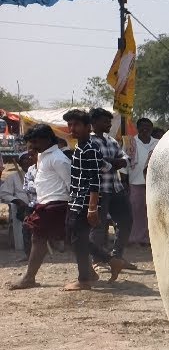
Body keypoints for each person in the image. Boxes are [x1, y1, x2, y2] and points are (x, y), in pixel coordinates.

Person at [63, 109, 122, 290]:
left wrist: (92, 207)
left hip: (85, 202)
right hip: (76, 200)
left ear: (88, 127)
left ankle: (84, 279)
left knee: (77, 239)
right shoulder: (80, 148)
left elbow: (94, 180)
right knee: (73, 238)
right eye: (70, 125)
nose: (72, 129)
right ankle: (110, 261)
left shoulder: (89, 149)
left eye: (77, 125)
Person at [8, 125, 73, 289]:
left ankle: (29, 278)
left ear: (47, 139)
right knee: (74, 240)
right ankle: (106, 262)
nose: (33, 146)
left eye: (36, 142)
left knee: (38, 238)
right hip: (45, 203)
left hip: (56, 204)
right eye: (31, 142)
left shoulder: (58, 159)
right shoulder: (44, 157)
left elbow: (71, 185)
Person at [87, 107, 133, 267]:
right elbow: (97, 163)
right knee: (98, 226)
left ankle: (117, 256)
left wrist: (114, 162)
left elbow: (125, 158)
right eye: (105, 121)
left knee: (126, 222)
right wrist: (114, 162)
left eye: (109, 121)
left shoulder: (111, 140)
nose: (109, 124)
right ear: (94, 122)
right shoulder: (88, 142)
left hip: (116, 187)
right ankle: (98, 260)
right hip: (98, 190)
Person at [128, 116, 156, 246]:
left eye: (148, 127)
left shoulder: (157, 142)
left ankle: (149, 239)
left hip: (153, 184)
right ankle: (135, 238)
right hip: (135, 181)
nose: (145, 129)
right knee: (136, 212)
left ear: (151, 129)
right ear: (137, 128)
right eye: (142, 127)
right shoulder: (130, 142)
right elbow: (125, 164)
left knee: (151, 212)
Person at [1, 151, 33, 254]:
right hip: (20, 207)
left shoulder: (40, 175)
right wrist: (17, 201)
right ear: (20, 163)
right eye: (25, 159)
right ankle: (22, 247)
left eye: (30, 159)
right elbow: (4, 193)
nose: (28, 161)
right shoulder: (13, 177)